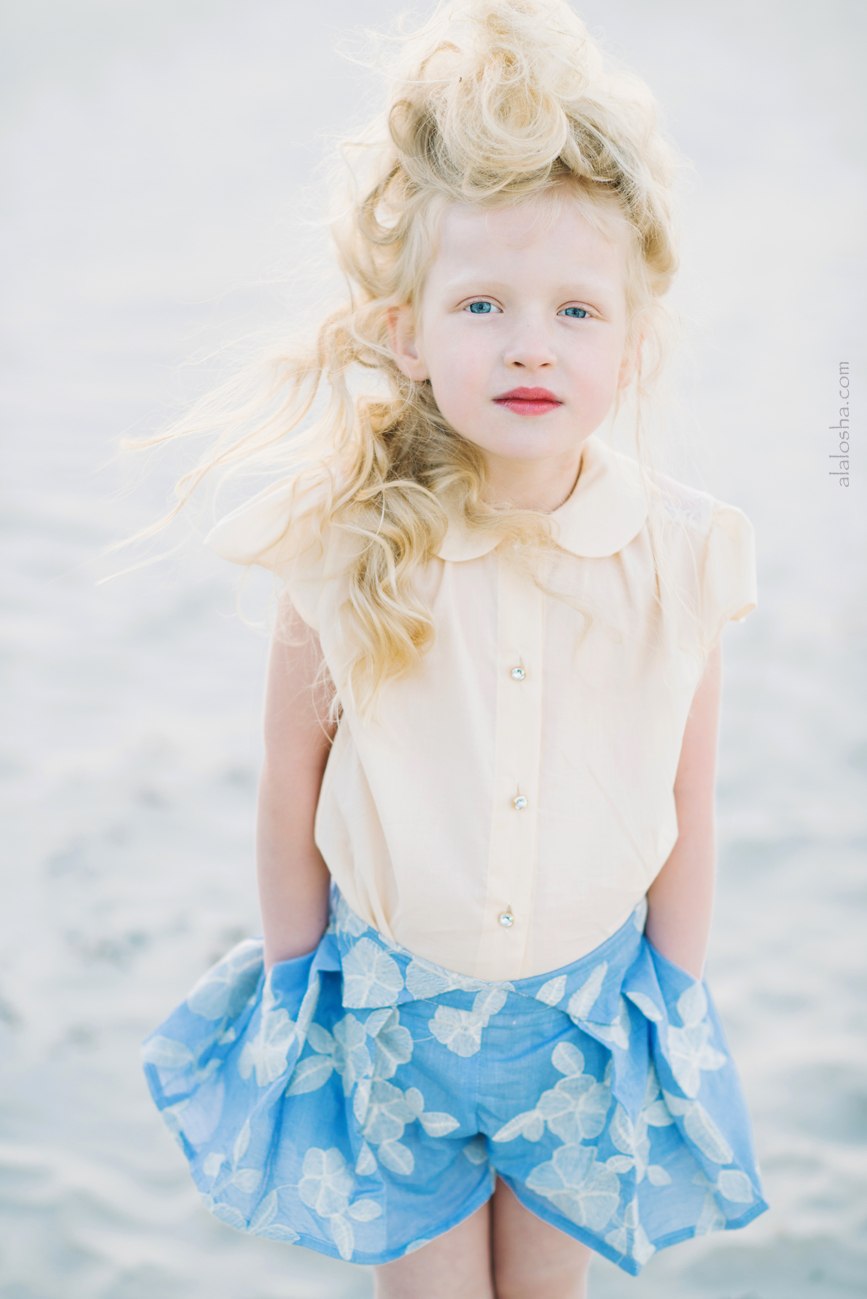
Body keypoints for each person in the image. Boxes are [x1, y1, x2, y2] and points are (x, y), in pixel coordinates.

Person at [135, 0, 769, 1293]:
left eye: (576, 312)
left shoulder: (681, 555)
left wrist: (672, 1012)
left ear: (634, 344)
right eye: (483, 303)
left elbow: (689, 798)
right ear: (407, 333)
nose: (531, 339)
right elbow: (288, 788)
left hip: (585, 1034)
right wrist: (301, 998)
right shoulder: (345, 542)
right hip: (390, 1025)